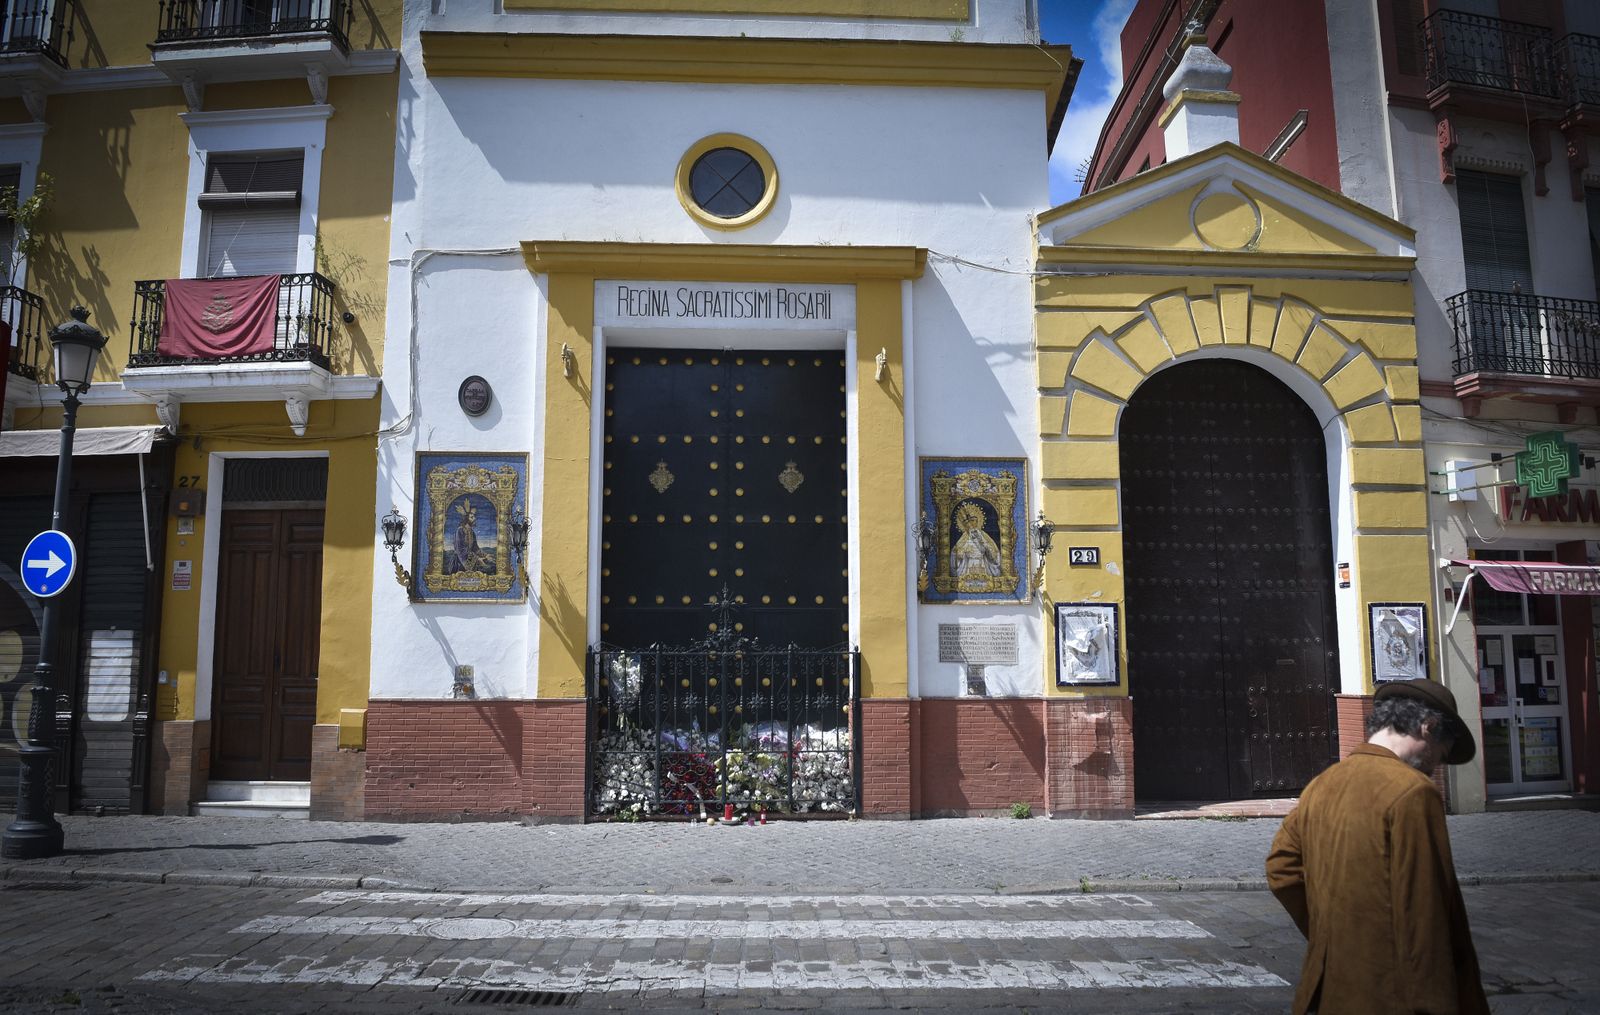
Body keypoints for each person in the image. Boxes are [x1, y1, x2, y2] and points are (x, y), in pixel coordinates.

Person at [1265, 679, 1490, 1014]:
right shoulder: (1413, 791)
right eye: (1440, 755)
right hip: (1390, 997)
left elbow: (1281, 868)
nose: (1434, 767)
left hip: (1328, 992)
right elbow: (1424, 915)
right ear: (1428, 727)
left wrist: (1331, 935)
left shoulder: (1321, 785)